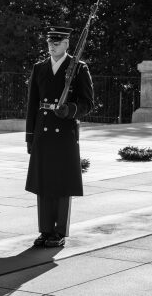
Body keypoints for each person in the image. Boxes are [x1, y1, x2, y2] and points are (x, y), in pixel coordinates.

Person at [25, 26, 94, 248]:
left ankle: (59, 231)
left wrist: (71, 110)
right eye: (49, 42)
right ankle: (45, 230)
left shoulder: (78, 68)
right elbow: (32, 105)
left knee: (62, 182)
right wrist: (30, 136)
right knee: (44, 181)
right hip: (44, 130)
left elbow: (88, 103)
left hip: (64, 131)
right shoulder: (39, 68)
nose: (52, 45)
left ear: (66, 44)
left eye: (57, 42)